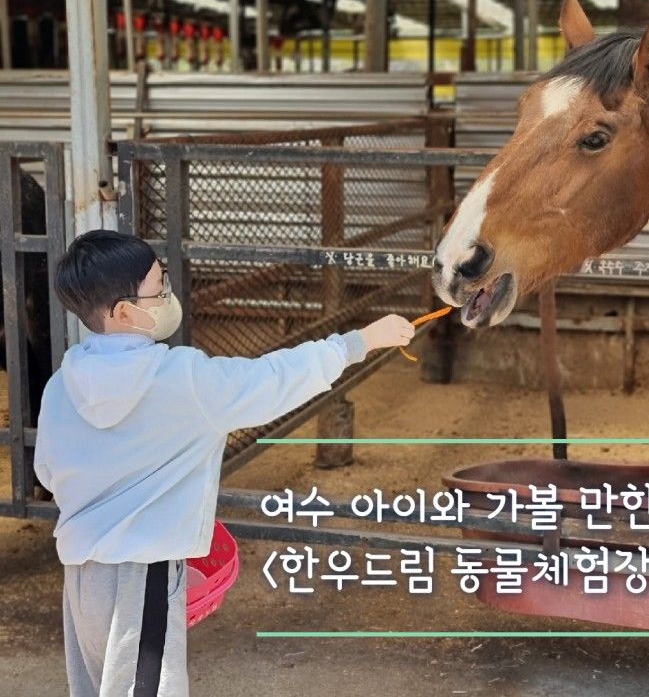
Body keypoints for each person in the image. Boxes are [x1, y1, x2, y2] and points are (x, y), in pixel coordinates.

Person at [34, 229, 415, 696]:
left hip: (82, 577)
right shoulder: (181, 379)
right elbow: (272, 380)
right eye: (159, 290)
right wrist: (359, 341)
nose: (169, 295)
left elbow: (48, 473)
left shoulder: (62, 385)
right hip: (144, 573)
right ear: (124, 312)